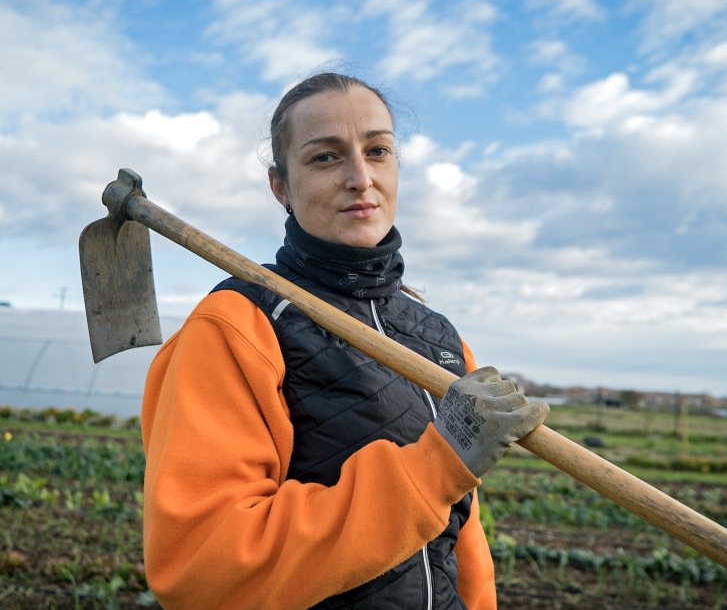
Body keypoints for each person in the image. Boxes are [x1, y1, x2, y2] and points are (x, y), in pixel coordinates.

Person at [140, 73, 550, 610]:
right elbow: (200, 565)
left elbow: (462, 542)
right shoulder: (238, 327)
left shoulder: (442, 341)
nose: (361, 177)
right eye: (325, 157)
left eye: (377, 150)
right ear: (280, 187)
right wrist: (434, 466)